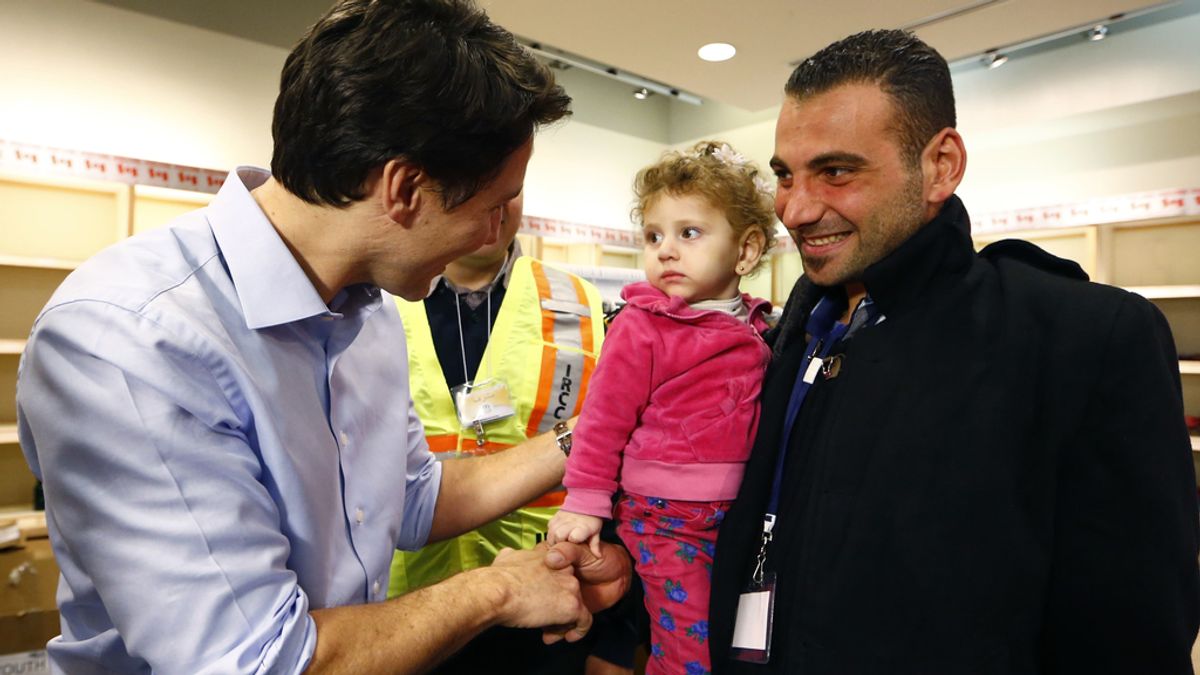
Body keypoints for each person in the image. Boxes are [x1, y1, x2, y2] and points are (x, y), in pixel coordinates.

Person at [14, 1, 631, 673]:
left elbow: (411, 497)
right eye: (491, 209)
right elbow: (262, 661)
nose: (495, 237)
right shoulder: (130, 341)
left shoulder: (365, 312)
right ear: (405, 189)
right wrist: (500, 587)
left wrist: (594, 436)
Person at [708, 29, 1200, 673]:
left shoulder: (1084, 338)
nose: (795, 210)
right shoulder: (792, 326)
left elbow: (1133, 636)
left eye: (835, 171)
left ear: (940, 165)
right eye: (784, 175)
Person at [548, 141, 777, 675]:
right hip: (665, 518)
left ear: (745, 251)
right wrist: (585, 500)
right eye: (653, 236)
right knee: (688, 652)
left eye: (688, 233)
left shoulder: (759, 326)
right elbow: (604, 420)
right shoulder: (643, 324)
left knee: (728, 638)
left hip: (733, 514)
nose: (666, 250)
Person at [388, 192, 637, 674]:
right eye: (472, 182)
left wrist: (619, 636)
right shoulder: (378, 301)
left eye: (510, 188)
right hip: (406, 610)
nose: (495, 204)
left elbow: (623, 473)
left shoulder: (581, 306)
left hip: (550, 607)